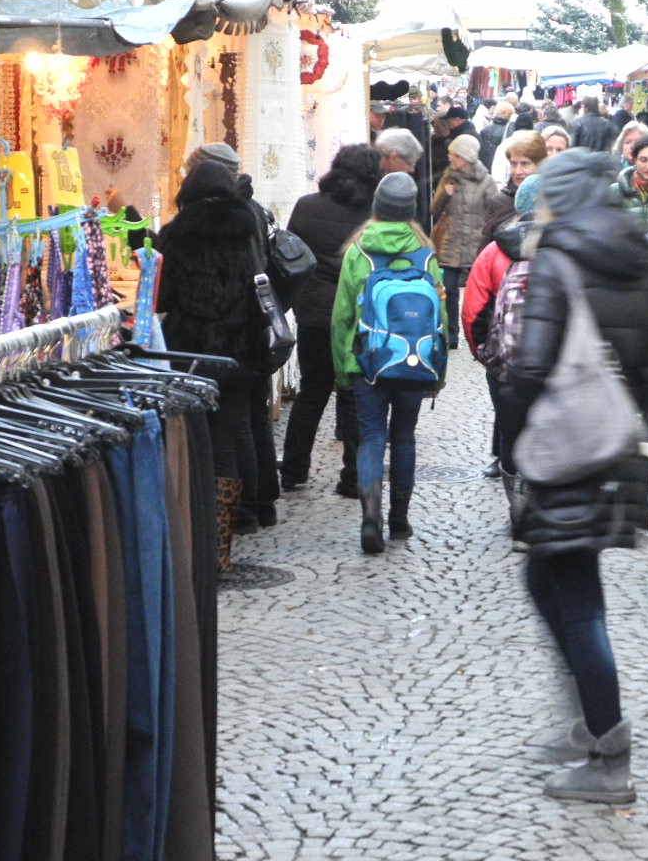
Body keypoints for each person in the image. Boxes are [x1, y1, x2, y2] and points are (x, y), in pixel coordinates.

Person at [503, 149, 648, 804]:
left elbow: (529, 367)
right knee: (551, 580)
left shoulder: (557, 259)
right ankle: (587, 722)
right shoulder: (633, 254)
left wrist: (517, 440)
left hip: (570, 445)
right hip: (617, 444)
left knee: (574, 600)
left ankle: (608, 754)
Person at [156, 161, 274, 571]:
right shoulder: (246, 229)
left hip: (188, 356)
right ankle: (220, 549)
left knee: (188, 443)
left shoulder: (175, 234)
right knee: (226, 445)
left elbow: (162, 298)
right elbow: (258, 290)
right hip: (236, 355)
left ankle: (191, 536)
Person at [330, 173, 446, 554]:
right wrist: (438, 372)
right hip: (414, 361)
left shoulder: (358, 251)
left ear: (377, 207)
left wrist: (342, 369)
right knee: (405, 437)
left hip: (368, 362)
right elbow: (440, 316)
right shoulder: (426, 254)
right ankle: (399, 518)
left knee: (372, 438)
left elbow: (342, 317)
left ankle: (370, 517)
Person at [280, 145, 382, 499]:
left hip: (315, 312)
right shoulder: (375, 213)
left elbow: (291, 258)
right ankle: (353, 477)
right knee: (354, 395)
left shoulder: (307, 206)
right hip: (359, 314)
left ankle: (293, 469)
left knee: (312, 391)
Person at [463, 174, 543, 544]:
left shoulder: (494, 251)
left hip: (504, 365)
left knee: (511, 435)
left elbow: (473, 311)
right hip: (550, 367)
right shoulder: (562, 249)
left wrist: (484, 355)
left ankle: (518, 509)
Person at [430, 134, 499, 350]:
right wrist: (444, 194)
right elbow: (434, 210)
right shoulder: (448, 177)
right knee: (449, 290)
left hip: (475, 245)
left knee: (481, 292)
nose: (450, 158)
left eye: (455, 154)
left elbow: (494, 213)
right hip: (451, 242)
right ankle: (452, 334)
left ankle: (480, 332)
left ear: (466, 157)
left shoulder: (486, 181)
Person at [484, 130, 547, 234]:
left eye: (525, 164)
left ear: (540, 164)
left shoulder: (552, 200)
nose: (517, 171)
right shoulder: (498, 202)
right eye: (513, 164)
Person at [478, 100, 513, 171]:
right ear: (509, 115)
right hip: (498, 166)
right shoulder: (507, 130)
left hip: (484, 165)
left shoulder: (486, 128)